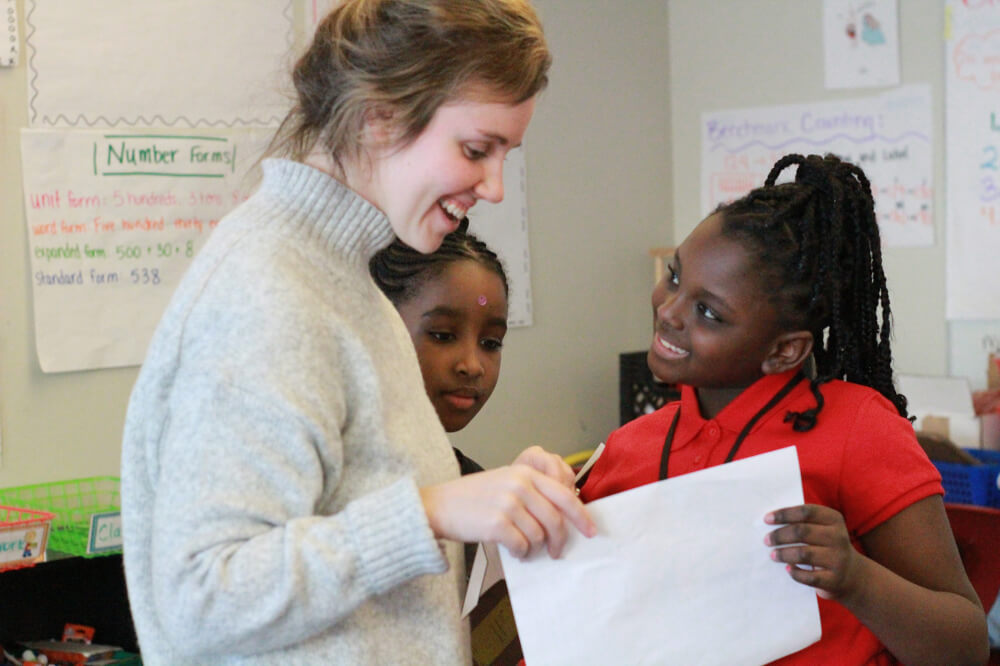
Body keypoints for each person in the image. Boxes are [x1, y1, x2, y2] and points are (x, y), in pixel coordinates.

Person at [119, 2, 595, 664]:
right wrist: (432, 512)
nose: (494, 188)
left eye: (505, 155)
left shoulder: (344, 280)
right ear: (379, 117)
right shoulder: (269, 290)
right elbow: (203, 597)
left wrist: (496, 501)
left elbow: (354, 512)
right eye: (476, 150)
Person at [580, 153, 988, 665]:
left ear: (785, 351)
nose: (668, 311)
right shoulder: (628, 448)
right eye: (676, 276)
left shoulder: (858, 428)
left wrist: (856, 579)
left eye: (708, 312)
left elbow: (966, 647)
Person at [371, 222, 528, 665]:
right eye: (442, 335)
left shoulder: (474, 488)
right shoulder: (339, 489)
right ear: (376, 327)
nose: (472, 365)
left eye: (491, 342)